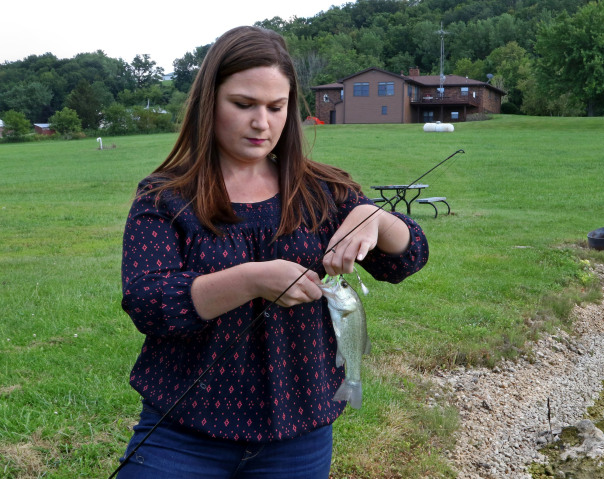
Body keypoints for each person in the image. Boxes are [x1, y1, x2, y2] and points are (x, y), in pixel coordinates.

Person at [116, 25, 428, 479]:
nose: (262, 122)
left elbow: (407, 258)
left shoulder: (325, 192)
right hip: (183, 433)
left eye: (276, 107)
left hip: (297, 439)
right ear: (210, 102)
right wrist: (251, 279)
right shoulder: (165, 197)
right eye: (243, 105)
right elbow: (149, 302)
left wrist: (380, 220)